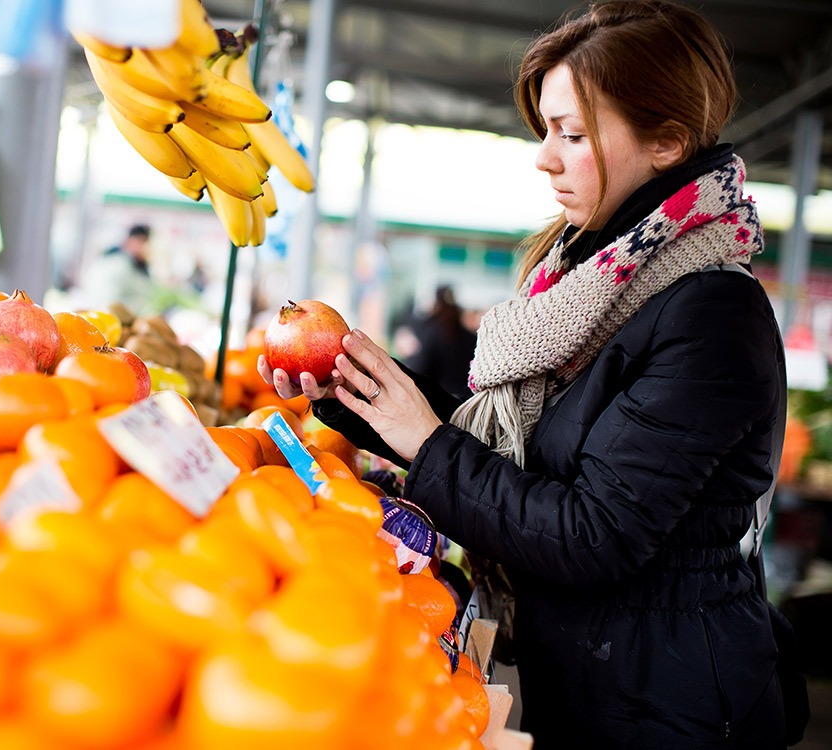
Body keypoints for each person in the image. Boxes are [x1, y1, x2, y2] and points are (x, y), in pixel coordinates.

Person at [259, 2, 792, 747]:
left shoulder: (711, 315)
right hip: (584, 674)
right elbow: (530, 454)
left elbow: (590, 532)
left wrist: (425, 443)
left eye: (572, 134)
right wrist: (354, 394)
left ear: (668, 141)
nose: (545, 156)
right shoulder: (586, 278)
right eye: (546, 129)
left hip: (664, 706)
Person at [404, 285, 478, 400]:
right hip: (463, 400)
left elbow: (420, 367)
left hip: (437, 400)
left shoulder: (433, 334)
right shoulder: (470, 338)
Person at [68, 223, 160, 315]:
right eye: (143, 242)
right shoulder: (118, 264)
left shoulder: (135, 264)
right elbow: (107, 301)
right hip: (108, 319)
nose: (145, 247)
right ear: (131, 240)